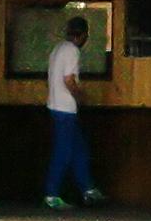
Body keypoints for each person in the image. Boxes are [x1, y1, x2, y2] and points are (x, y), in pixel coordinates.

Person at [43, 16, 106, 210]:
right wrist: (81, 97)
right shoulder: (72, 51)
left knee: (79, 149)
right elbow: (69, 79)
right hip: (66, 109)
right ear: (83, 35)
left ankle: (88, 188)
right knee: (63, 151)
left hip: (55, 105)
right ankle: (51, 194)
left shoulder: (58, 48)